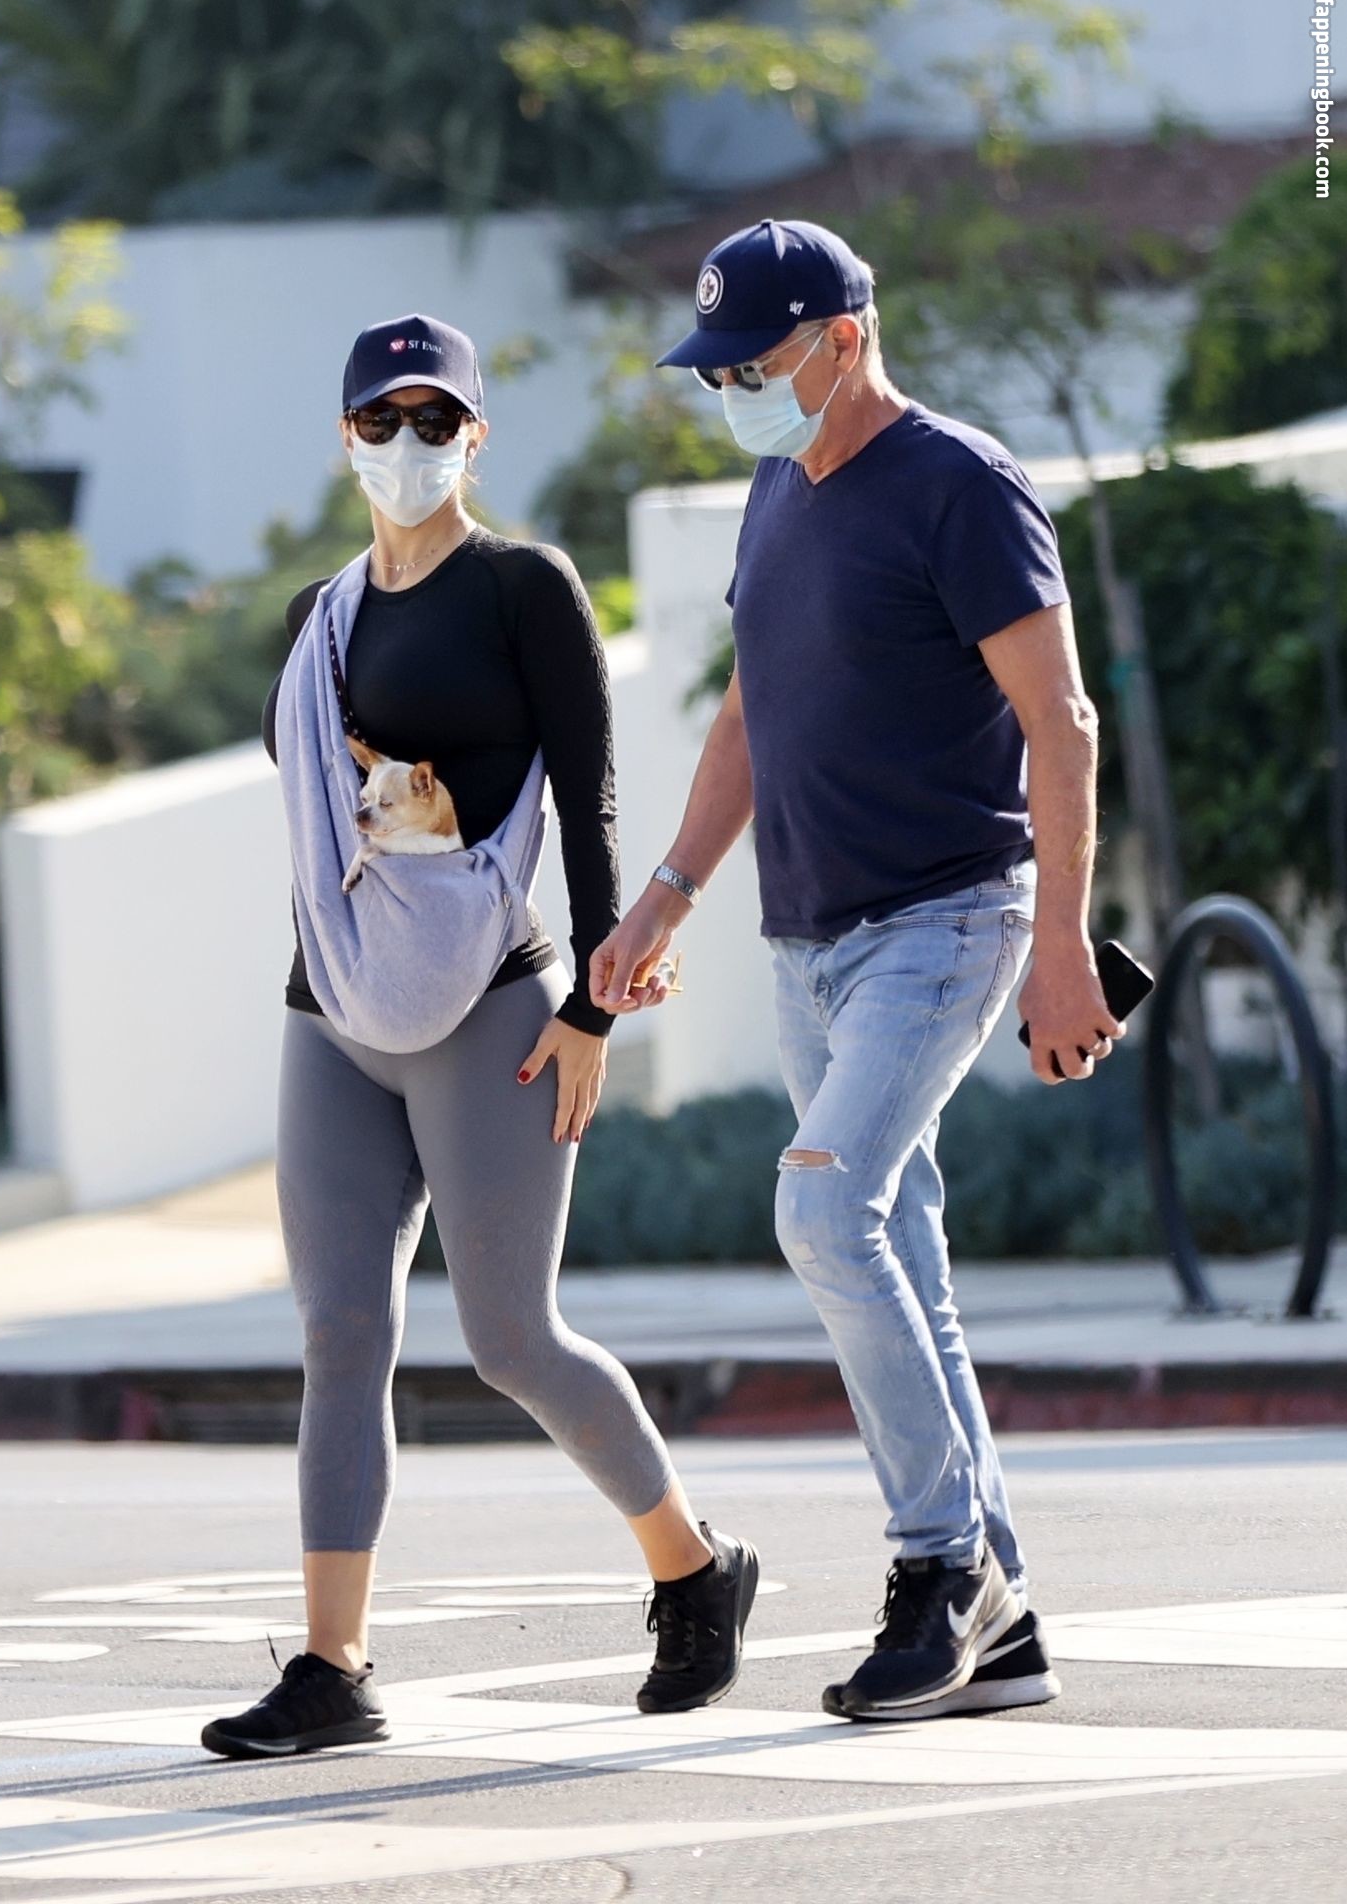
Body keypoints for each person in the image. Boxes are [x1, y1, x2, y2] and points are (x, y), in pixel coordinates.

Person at [201, 313, 759, 1761]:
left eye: (436, 418)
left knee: (510, 1336)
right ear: (344, 437)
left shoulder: (523, 586)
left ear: (476, 434)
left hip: (495, 1005)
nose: (409, 443)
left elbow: (589, 794)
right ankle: (334, 1667)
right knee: (340, 1333)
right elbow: (321, 791)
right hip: (334, 1004)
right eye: (380, 419)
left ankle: (693, 1569)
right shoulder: (317, 619)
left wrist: (593, 1004)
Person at [593, 221, 1124, 1723]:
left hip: (945, 922)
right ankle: (1002, 1630)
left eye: (751, 365)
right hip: (807, 940)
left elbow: (1062, 723)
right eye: (715, 374)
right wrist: (664, 900)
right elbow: (748, 717)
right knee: (907, 1261)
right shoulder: (780, 490)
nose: (732, 394)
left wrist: (1065, 945)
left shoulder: (960, 485)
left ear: (842, 337)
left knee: (824, 1210)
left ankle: (942, 1569)